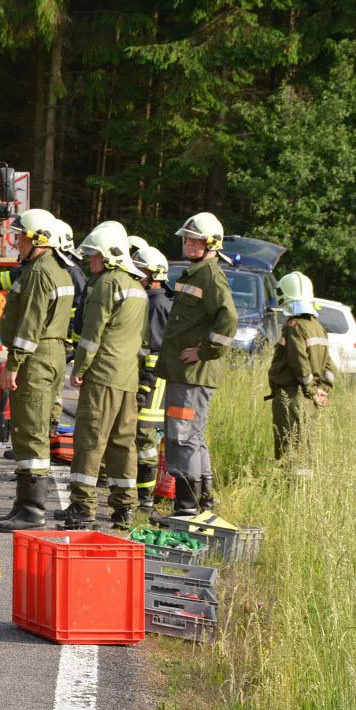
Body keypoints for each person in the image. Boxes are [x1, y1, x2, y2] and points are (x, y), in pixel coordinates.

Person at [60, 222, 148, 530]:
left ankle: (83, 506)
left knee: (90, 440)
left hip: (102, 376)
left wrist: (80, 369)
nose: (90, 261)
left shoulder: (106, 285)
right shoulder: (137, 286)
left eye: (95, 256)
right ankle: (125, 508)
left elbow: (91, 335)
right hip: (127, 377)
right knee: (124, 443)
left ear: (110, 256)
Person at [0, 209, 75, 532]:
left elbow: (30, 325)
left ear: (39, 238)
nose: (17, 243)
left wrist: (13, 364)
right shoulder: (54, 269)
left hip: (36, 357)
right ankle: (23, 505)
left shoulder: (40, 273)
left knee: (31, 431)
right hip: (47, 353)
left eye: (22, 237)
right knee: (29, 428)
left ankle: (32, 509)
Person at [157, 212, 238, 517]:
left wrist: (205, 351)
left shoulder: (210, 275)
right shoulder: (195, 273)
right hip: (185, 373)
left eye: (197, 240)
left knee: (182, 436)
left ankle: (186, 507)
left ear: (212, 244)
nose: (190, 244)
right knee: (192, 437)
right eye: (188, 239)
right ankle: (202, 502)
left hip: (193, 374)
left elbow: (228, 318)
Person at [267, 272, 335, 461]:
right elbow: (329, 365)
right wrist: (322, 390)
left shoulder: (294, 326)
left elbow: (299, 362)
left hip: (292, 396)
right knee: (306, 447)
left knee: (289, 448)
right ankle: (303, 488)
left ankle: (289, 488)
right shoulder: (318, 327)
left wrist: (312, 390)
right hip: (310, 400)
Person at [133, 245, 173, 512]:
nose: (137, 275)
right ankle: (146, 498)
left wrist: (145, 384)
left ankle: (145, 501)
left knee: (145, 437)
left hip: (155, 381)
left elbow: (154, 350)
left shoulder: (156, 304)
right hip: (154, 378)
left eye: (141, 271)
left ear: (154, 275)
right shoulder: (156, 300)